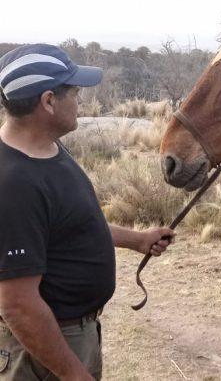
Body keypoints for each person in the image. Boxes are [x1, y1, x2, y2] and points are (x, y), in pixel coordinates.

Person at [0, 44, 174, 381]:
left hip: (75, 334)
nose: (81, 99)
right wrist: (74, 374)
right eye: (75, 92)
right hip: (44, 350)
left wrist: (137, 240)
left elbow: (74, 225)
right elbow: (17, 305)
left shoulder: (47, 148)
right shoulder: (13, 185)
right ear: (48, 101)